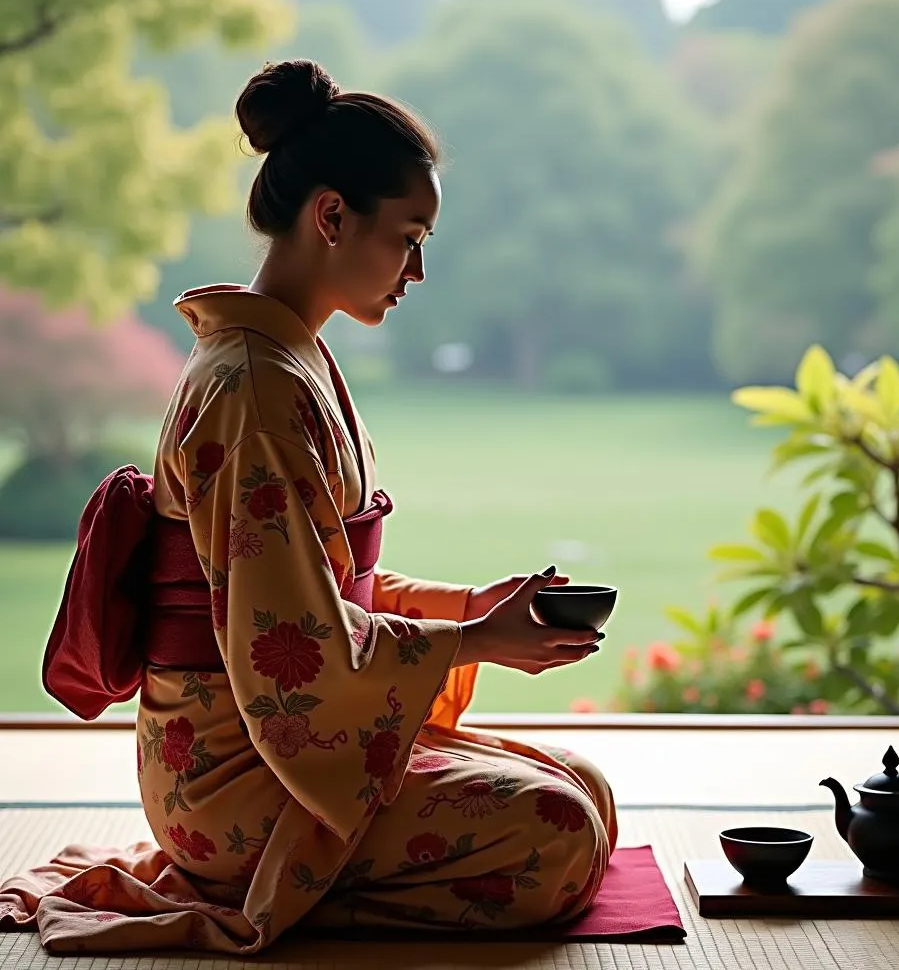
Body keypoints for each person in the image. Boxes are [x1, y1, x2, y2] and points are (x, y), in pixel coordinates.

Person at [0, 59, 616, 955]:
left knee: (583, 785)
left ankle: (296, 876)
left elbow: (322, 589)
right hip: (235, 771)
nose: (417, 269)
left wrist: (469, 609)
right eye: (409, 237)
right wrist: (475, 642)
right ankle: (273, 889)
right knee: (555, 834)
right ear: (331, 216)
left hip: (274, 737)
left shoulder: (288, 364)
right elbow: (291, 650)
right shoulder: (254, 388)